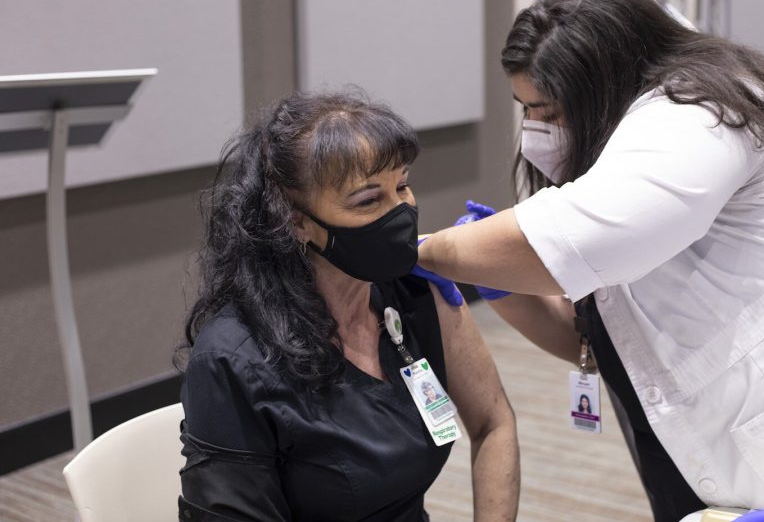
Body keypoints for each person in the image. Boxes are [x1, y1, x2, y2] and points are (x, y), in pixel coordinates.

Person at [417, 0, 764, 520]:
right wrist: (501, 283)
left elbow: (585, 240)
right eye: (525, 108)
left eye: (549, 110)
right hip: (688, 443)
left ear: (602, 85)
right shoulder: (618, 157)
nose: (535, 130)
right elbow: (595, 341)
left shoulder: (700, 113)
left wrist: (427, 250)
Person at [177, 91, 519, 522]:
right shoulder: (234, 359)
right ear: (296, 220)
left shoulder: (415, 294)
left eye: (403, 185)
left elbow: (493, 424)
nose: (401, 213)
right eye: (368, 200)